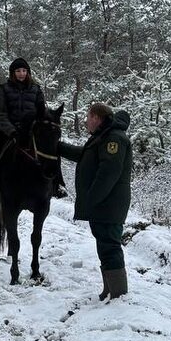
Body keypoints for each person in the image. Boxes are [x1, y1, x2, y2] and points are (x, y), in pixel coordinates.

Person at [57, 102, 133, 300]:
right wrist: (56, 146)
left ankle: (118, 295)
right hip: (104, 205)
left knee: (110, 245)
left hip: (109, 204)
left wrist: (91, 199)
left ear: (97, 118)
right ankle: (110, 290)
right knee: (104, 244)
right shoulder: (102, 137)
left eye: (88, 117)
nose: (86, 122)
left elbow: (108, 173)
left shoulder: (113, 138)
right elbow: (84, 155)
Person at [0, 58, 67, 201]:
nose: (21, 73)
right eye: (18, 71)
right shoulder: (4, 89)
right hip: (9, 131)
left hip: (32, 131)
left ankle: (58, 184)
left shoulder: (36, 89)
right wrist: (11, 130)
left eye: (24, 70)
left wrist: (47, 121)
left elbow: (42, 110)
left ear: (28, 72)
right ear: (13, 73)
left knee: (52, 150)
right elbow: (0, 113)